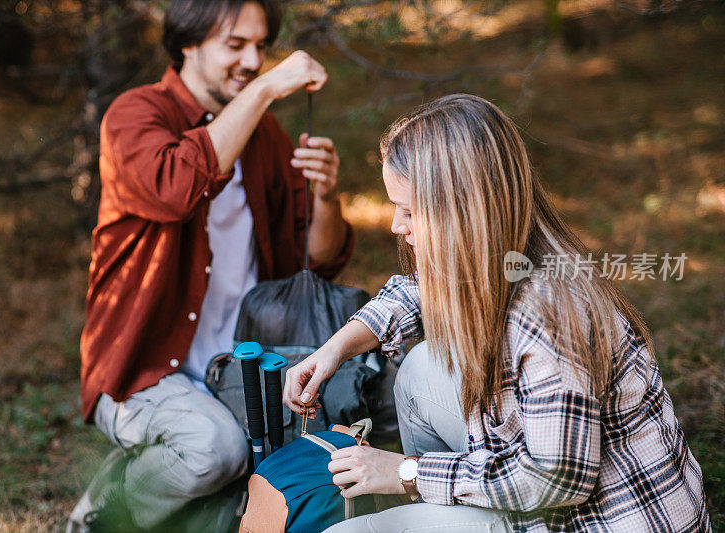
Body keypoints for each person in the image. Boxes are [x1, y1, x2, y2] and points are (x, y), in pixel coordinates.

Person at [284, 94, 710, 532]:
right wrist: (334, 350)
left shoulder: (550, 315)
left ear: (464, 211)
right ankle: (459, 506)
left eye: (410, 211)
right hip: (550, 488)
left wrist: (406, 474)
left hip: (591, 519)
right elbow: (417, 292)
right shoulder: (501, 252)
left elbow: (557, 480)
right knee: (418, 372)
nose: (396, 225)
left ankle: (448, 503)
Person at [68, 0, 354, 530]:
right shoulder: (135, 115)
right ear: (188, 43)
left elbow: (316, 260)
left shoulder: (263, 137)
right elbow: (176, 187)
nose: (252, 60)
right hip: (146, 368)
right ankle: (103, 515)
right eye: (235, 44)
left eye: (261, 46)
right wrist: (265, 88)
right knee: (216, 448)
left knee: (325, 436)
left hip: (237, 362)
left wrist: (328, 196)